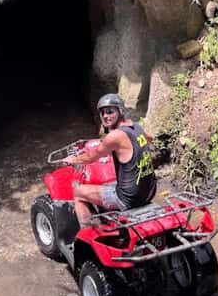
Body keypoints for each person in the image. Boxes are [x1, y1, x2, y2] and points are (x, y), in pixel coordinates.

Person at [66, 94, 156, 227]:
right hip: (148, 193)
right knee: (113, 184)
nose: (106, 116)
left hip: (128, 199)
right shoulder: (137, 127)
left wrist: (74, 159)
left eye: (110, 111)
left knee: (78, 192)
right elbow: (150, 138)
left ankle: (90, 234)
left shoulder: (114, 136)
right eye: (102, 113)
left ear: (120, 110)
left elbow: (91, 157)